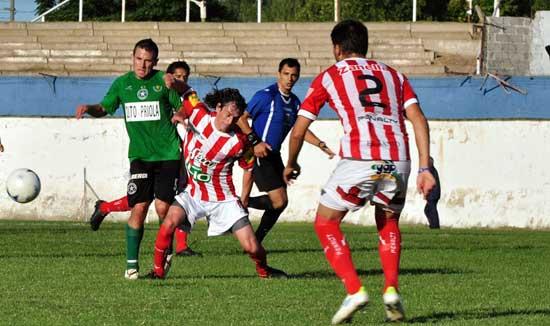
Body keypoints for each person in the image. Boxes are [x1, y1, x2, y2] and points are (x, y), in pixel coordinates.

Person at [282, 20, 436, 324]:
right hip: (398, 160)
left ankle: (354, 289)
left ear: (337, 48)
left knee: (326, 223)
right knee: (388, 220)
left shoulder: (330, 76)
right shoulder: (395, 75)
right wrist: (425, 166)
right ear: (365, 46)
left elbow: (299, 130)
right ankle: (391, 289)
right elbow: (418, 118)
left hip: (360, 158)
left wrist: (291, 162)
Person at [75, 39, 188, 280]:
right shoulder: (122, 84)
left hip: (168, 154)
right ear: (132, 57)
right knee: (138, 207)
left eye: (148, 61)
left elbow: (186, 104)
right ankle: (131, 266)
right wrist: (89, 108)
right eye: (139, 59)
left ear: (155, 62)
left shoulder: (163, 82)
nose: (143, 65)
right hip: (139, 155)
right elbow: (104, 108)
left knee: (162, 207)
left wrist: (179, 112)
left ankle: (163, 257)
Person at [147, 88, 286, 279]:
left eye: (234, 117)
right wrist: (173, 85)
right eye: (228, 114)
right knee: (168, 223)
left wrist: (244, 199)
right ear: (218, 107)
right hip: (194, 194)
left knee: (252, 247)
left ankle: (264, 271)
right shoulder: (199, 113)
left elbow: (248, 168)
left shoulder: (239, 141)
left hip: (224, 199)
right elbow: (187, 92)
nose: (230, 121)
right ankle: (157, 272)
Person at [87, 60, 200, 257]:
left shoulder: (183, 97)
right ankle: (105, 208)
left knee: (171, 200)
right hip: (148, 154)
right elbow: (104, 108)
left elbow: (191, 103)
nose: (180, 80)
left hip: (174, 153)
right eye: (177, 76)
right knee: (141, 202)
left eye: (184, 77)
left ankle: (178, 246)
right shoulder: (139, 84)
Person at [237, 58, 335, 244]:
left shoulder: (295, 102)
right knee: (279, 201)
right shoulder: (266, 95)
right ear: (278, 74)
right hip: (258, 153)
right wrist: (255, 142)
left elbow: (300, 129)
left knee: (281, 203)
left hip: (275, 155)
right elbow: (241, 119)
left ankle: (254, 235)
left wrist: (320, 144)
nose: (290, 79)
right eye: (286, 74)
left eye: (294, 75)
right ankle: (240, 205)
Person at [424, 157, 441, 229]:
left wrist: (426, 193)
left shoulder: (430, 171)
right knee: (428, 209)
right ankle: (433, 224)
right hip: (435, 193)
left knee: (432, 210)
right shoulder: (432, 170)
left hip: (433, 194)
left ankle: (435, 226)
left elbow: (430, 183)